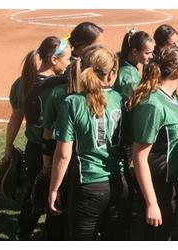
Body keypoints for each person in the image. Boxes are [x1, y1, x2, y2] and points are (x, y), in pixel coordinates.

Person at [48, 46, 130, 240]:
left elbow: (63, 154)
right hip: (120, 183)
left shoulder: (72, 102)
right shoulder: (121, 99)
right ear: (111, 74)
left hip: (88, 186)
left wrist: (53, 189)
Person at [3, 36, 71, 240]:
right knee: (56, 195)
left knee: (34, 191)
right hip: (55, 151)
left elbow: (16, 118)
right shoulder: (62, 88)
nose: (69, 63)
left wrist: (8, 149)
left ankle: (22, 234)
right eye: (67, 58)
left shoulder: (21, 82)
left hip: (33, 149)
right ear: (53, 60)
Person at [126, 45, 178, 240]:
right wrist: (151, 203)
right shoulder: (152, 105)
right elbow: (139, 157)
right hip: (158, 185)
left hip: (172, 181)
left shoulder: (171, 96)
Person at [113, 30, 155, 100]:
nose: (151, 56)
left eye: (152, 52)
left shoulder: (120, 58)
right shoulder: (131, 78)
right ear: (135, 52)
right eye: (147, 53)